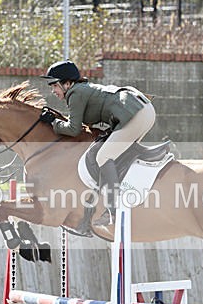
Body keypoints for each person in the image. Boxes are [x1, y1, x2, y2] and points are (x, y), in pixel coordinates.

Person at [39, 60, 156, 224]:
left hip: (136, 114)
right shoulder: (81, 89)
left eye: (55, 85)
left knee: (103, 157)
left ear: (67, 83)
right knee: (118, 157)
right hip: (142, 111)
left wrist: (52, 123)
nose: (53, 91)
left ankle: (113, 211)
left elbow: (73, 129)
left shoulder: (75, 93)